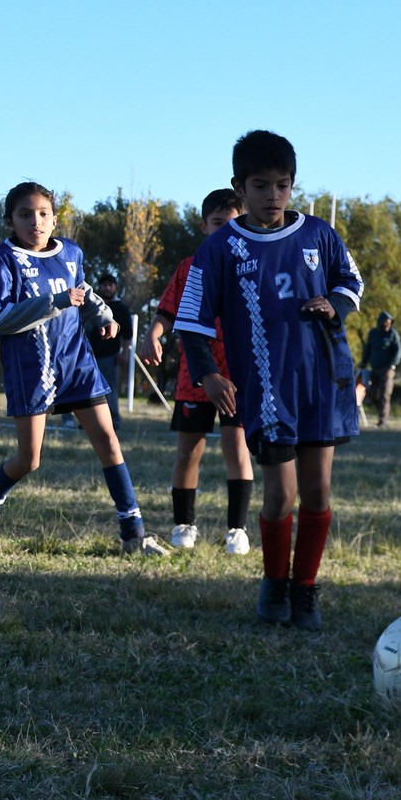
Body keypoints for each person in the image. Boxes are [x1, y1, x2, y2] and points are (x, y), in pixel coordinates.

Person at [172, 130, 364, 630]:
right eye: (261, 186)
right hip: (266, 388)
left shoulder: (319, 234)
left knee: (319, 491)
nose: (273, 196)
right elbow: (191, 320)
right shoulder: (219, 249)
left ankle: (306, 591)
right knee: (281, 494)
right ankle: (273, 583)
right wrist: (209, 374)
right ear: (240, 187)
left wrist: (335, 303)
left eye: (282, 185)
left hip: (321, 382)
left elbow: (352, 282)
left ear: (292, 185)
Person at [0, 183, 165, 555]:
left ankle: (134, 533)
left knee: (108, 441)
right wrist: (54, 301)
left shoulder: (70, 253)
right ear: (10, 221)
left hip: (76, 361)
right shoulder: (3, 260)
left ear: (54, 219)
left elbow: (80, 289)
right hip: (31, 368)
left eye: (42, 214)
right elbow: (0, 319)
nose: (35, 221)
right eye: (25, 214)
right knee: (30, 459)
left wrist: (100, 314)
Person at [142, 188, 255, 554]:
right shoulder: (189, 267)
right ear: (204, 226)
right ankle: (183, 525)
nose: (227, 230)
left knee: (237, 447)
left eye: (234, 224)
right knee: (189, 450)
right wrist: (153, 335)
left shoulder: (253, 264)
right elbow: (167, 311)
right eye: (219, 223)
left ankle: (237, 530)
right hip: (196, 375)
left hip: (238, 375)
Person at [87, 274, 133, 427]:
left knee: (110, 390)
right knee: (88, 389)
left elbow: (128, 334)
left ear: (115, 288)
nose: (107, 288)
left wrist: (125, 353)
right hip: (88, 356)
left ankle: (114, 421)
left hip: (109, 356)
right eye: (104, 285)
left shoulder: (121, 309)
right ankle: (90, 421)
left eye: (110, 285)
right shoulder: (92, 306)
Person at [362, 312, 401, 428]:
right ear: (380, 322)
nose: (387, 324)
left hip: (387, 370)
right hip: (375, 368)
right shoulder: (373, 334)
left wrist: (392, 365)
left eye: (390, 322)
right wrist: (364, 363)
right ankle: (380, 416)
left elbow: (398, 351)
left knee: (385, 395)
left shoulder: (393, 334)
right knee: (374, 394)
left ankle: (383, 421)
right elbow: (368, 349)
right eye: (386, 322)